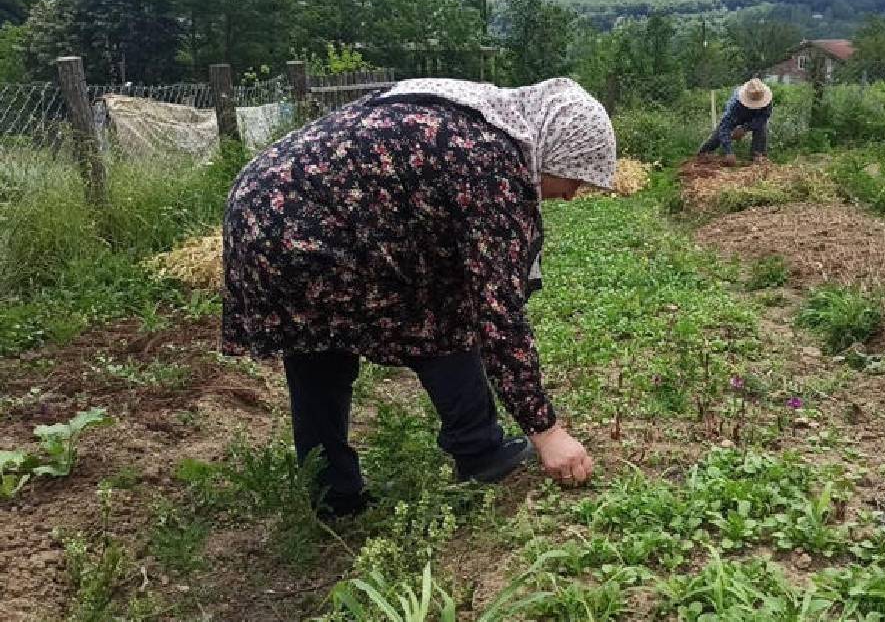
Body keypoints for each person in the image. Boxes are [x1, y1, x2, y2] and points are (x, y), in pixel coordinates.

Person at [221, 77, 617, 517]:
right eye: (576, 175)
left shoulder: (478, 115)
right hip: (306, 221)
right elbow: (498, 313)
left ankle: (333, 495)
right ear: (556, 147)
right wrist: (547, 431)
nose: (574, 192)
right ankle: (481, 453)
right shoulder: (488, 159)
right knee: (442, 312)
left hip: (259, 210)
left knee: (319, 351)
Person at [697, 78, 774, 166]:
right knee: (719, 134)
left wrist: (745, 128)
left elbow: (763, 118)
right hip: (738, 115)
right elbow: (725, 126)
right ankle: (704, 153)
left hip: (756, 118)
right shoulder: (735, 104)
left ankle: (758, 156)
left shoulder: (766, 101)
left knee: (761, 128)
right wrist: (728, 151)